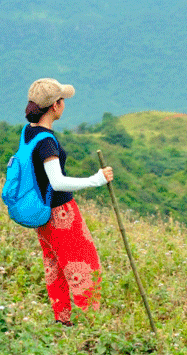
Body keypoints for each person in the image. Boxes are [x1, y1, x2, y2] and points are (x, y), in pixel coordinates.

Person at [24, 78, 114, 326]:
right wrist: (95, 180)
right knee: (84, 265)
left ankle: (62, 322)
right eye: (62, 100)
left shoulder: (29, 133)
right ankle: (89, 324)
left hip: (42, 213)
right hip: (60, 211)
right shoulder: (46, 141)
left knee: (56, 266)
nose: (64, 104)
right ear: (55, 105)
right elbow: (58, 181)